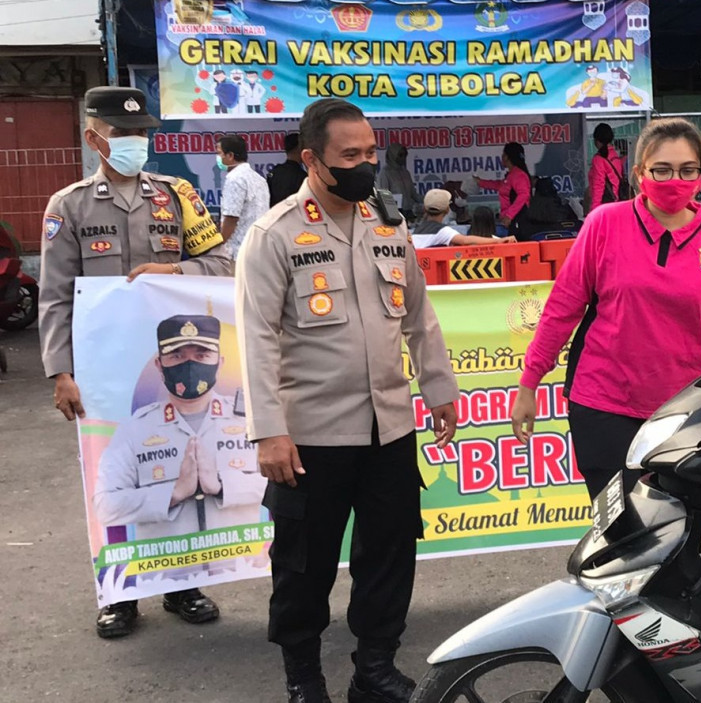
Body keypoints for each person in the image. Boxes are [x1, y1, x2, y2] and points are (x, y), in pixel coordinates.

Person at [235, 98, 460, 703]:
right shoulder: (274, 234)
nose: (365, 165)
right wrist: (269, 431)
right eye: (350, 155)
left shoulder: (388, 222)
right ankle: (304, 679)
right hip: (311, 437)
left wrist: (439, 388)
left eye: (370, 153)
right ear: (312, 159)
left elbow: (418, 314)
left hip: (389, 428)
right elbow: (256, 338)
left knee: (389, 555)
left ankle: (375, 670)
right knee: (303, 566)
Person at [40, 85, 233, 639]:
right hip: (103, 371)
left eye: (141, 132)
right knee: (114, 478)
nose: (134, 141)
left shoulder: (177, 196)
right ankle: (120, 594)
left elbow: (222, 263)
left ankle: (182, 584)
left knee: (177, 469)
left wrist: (174, 271)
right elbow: (54, 295)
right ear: (94, 138)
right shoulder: (69, 205)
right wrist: (60, 372)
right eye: (122, 133)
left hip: (172, 365)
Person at [509, 118, 701, 499]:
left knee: (682, 528)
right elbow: (562, 309)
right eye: (662, 170)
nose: (675, 180)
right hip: (604, 408)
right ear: (639, 174)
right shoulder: (604, 224)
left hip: (685, 414)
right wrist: (529, 382)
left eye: (688, 170)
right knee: (622, 530)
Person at [94, 314, 266, 556]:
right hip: (166, 567)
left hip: (242, 564)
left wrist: (222, 486)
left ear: (220, 362)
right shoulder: (135, 428)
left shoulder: (249, 420)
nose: (190, 365)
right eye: (177, 356)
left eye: (201, 355)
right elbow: (105, 505)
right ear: (159, 364)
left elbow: (281, 485)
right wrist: (172, 493)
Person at [217, 133, 270, 259]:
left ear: (230, 156)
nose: (218, 158)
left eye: (219, 153)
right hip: (259, 248)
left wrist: (219, 243)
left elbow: (231, 218)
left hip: (238, 251)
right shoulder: (259, 179)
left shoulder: (235, 178)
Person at [413, 189, 516, 248]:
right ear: (447, 210)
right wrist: (499, 241)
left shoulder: (415, 232)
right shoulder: (443, 231)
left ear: (425, 209)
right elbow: (466, 240)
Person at [474, 142, 531, 236]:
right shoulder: (511, 175)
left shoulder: (518, 175)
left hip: (518, 221)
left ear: (507, 157)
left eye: (503, 154)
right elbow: (500, 185)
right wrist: (480, 182)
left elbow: (524, 195)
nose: (501, 157)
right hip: (510, 221)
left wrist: (509, 215)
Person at [381, 143, 423, 221]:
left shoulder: (405, 172)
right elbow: (384, 196)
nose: (403, 158)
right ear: (392, 155)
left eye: (405, 155)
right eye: (400, 155)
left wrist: (428, 200)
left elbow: (414, 194)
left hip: (409, 212)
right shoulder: (385, 173)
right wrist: (393, 215)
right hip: (395, 213)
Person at [588, 122, 625, 211]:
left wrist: (594, 209)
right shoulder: (615, 155)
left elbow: (598, 185)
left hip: (605, 205)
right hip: (618, 201)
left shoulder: (599, 159)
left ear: (597, 140)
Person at [267, 133, 307, 207]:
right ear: (298, 148)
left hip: (275, 213)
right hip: (294, 213)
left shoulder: (274, 172)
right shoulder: (302, 176)